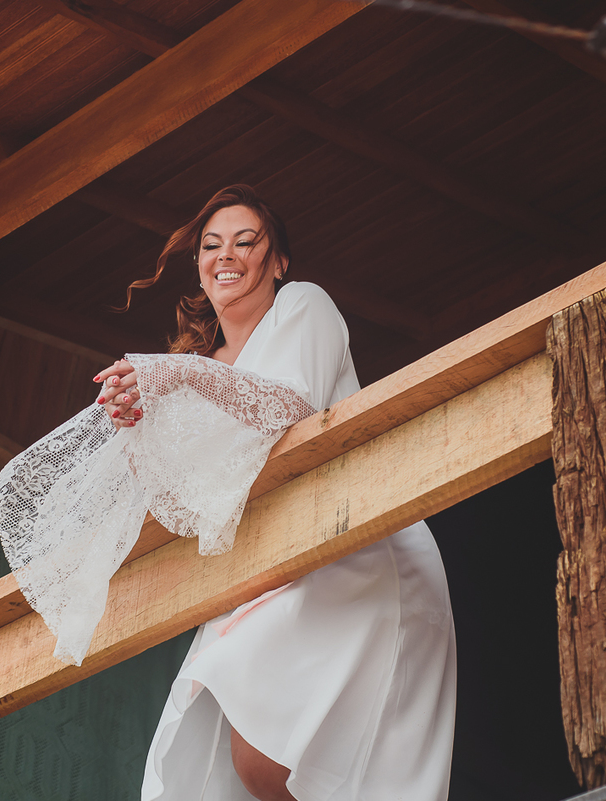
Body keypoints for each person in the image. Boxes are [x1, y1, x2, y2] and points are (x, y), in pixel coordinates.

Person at [91, 185, 457, 801]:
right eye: (211, 246)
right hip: (262, 569)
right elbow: (186, 499)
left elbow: (289, 405)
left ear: (278, 260)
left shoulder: (303, 305)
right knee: (239, 769)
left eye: (245, 241)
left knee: (275, 757)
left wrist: (178, 373)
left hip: (346, 550)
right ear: (199, 268)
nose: (225, 255)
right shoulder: (201, 361)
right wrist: (139, 429)